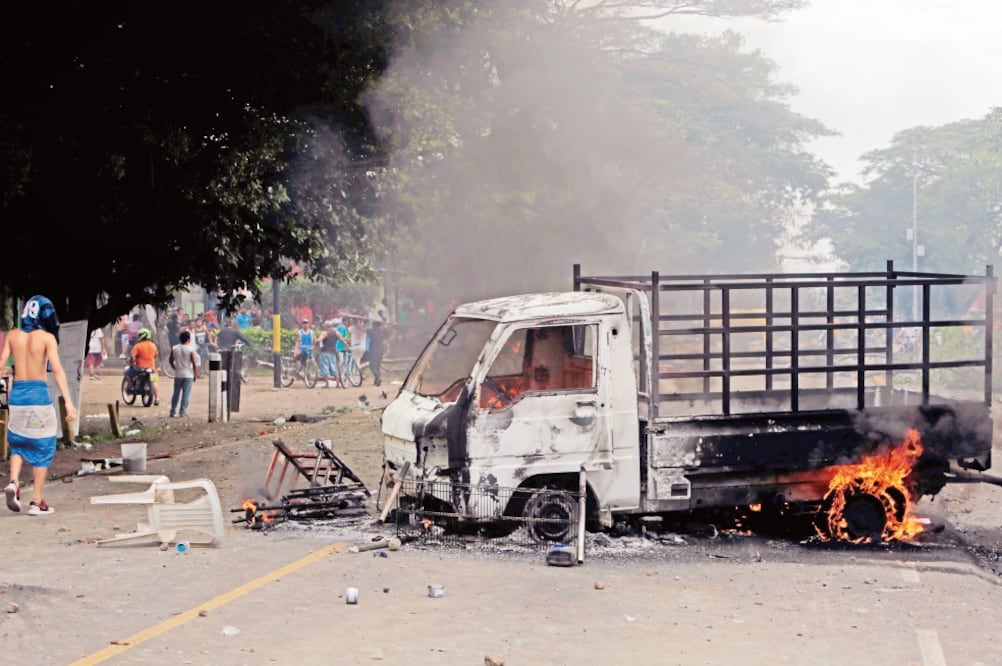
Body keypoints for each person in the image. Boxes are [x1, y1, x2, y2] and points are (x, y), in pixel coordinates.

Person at [2, 295, 78, 515]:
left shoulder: (13, 335)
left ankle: (14, 483)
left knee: (18, 441)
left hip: (17, 395)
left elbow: (1, 365)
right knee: (43, 447)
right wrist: (69, 403)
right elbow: (57, 370)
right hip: (38, 395)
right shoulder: (46, 338)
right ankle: (36, 502)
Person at [125, 327, 160, 406]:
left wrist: (132, 363)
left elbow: (133, 357)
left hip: (140, 368)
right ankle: (157, 398)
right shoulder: (153, 345)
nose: (138, 336)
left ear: (143, 335)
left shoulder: (137, 346)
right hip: (152, 368)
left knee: (127, 372)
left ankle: (130, 386)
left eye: (139, 335)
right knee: (154, 382)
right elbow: (155, 356)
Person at [168, 330, 199, 418]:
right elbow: (194, 363)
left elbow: (170, 361)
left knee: (176, 393)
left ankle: (173, 411)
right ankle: (183, 411)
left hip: (178, 374)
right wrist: (195, 375)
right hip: (188, 374)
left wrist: (175, 368)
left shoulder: (174, 348)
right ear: (188, 339)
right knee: (186, 394)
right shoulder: (190, 349)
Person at [317, 320, 348, 388]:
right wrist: (348, 347)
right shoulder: (336, 332)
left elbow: (319, 340)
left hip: (325, 352)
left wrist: (317, 344)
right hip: (333, 353)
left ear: (326, 326)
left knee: (325, 367)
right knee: (334, 368)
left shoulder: (325, 332)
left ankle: (327, 384)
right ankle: (337, 384)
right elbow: (343, 340)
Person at [364, 317, 386, 387]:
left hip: (373, 350)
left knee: (372, 366)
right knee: (377, 366)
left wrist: (357, 323)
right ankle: (376, 381)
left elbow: (363, 329)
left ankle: (378, 377)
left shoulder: (371, 330)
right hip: (381, 350)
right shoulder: (382, 331)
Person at [347, 316, 368, 382]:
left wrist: (350, 323)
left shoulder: (353, 328)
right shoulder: (364, 328)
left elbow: (347, 330)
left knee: (355, 363)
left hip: (355, 347)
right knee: (357, 362)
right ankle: (357, 377)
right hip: (362, 347)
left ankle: (357, 378)